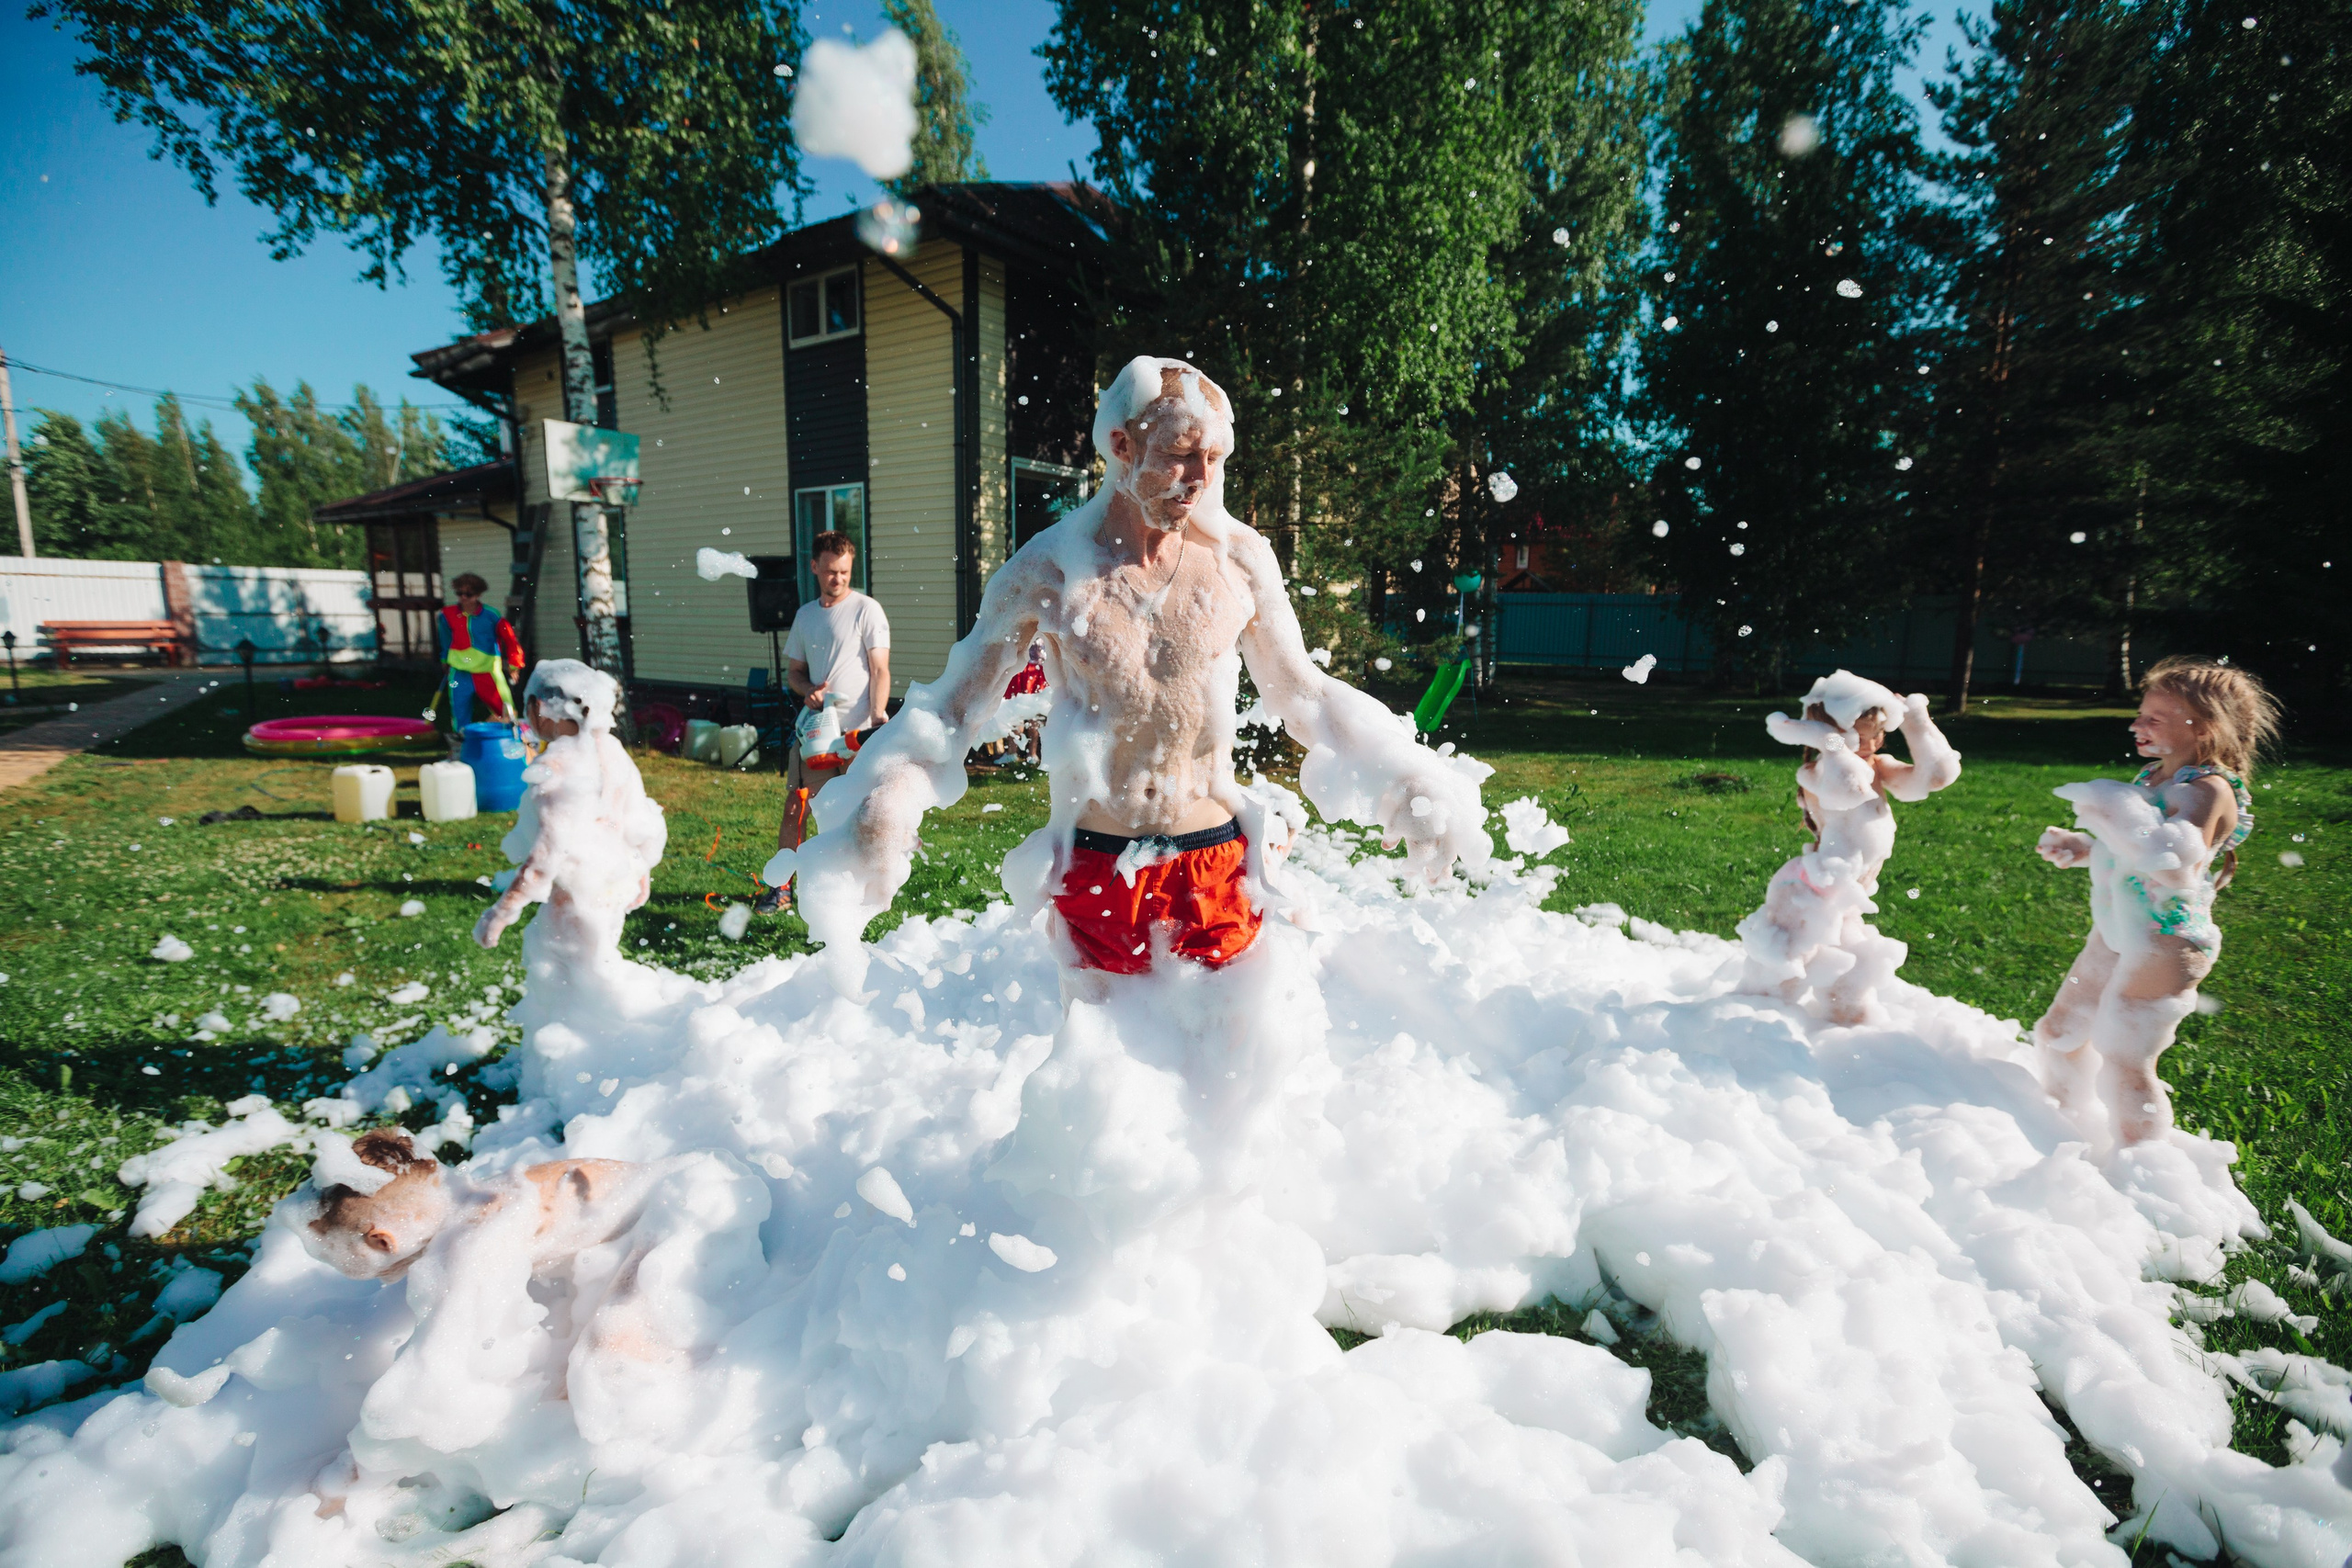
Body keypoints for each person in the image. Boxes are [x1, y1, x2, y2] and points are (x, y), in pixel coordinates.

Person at [762, 355, 1489, 986]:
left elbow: (1305, 694)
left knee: (1227, 1101)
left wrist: (1404, 767)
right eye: (1179, 453)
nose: (1201, 477)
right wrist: (885, 800)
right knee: (1104, 1106)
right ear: (1120, 442)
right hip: (1098, 866)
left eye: (1215, 457)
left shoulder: (1237, 563)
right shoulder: (1045, 572)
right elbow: (952, 709)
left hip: (1216, 865)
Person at [2031, 656, 2278, 1149]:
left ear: (2205, 728)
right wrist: (2083, 845)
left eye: (2153, 719)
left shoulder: (2208, 791)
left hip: (2168, 941)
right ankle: (2057, 1121)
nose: (2136, 725)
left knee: (2123, 1055)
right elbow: (2133, 855)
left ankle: (2141, 1162)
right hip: (2120, 930)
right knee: (2057, 1029)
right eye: (2140, 714)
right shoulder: (2153, 780)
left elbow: (2172, 861)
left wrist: (2105, 809)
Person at [1736, 671, 1963, 1024]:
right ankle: (1752, 1020)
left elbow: (1935, 777)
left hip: (1846, 890)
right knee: (1784, 963)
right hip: (1812, 885)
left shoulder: (1878, 767)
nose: (1872, 744)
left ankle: (1847, 1025)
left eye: (1879, 734)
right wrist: (1827, 740)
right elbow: (1849, 791)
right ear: (1832, 733)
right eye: (1861, 735)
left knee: (1849, 967)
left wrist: (1917, 718)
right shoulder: (1819, 771)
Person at [753, 530, 890, 914]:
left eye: (845, 572)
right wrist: (807, 690)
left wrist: (878, 714)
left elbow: (880, 669)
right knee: (796, 810)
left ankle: (859, 895)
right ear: (815, 568)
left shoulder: (867, 610)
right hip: (815, 734)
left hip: (857, 733)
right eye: (831, 572)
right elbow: (795, 672)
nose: (838, 579)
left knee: (857, 815)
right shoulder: (805, 616)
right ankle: (781, 890)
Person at [434, 572, 526, 732]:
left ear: (478, 594)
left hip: (487, 671)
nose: (463, 597)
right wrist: (444, 661)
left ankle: (512, 738)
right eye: (459, 593)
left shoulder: (492, 615)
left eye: (468, 594)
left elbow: (510, 639)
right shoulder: (447, 615)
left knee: (505, 709)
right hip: (460, 671)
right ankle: (461, 742)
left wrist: (514, 663)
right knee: (459, 711)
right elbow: (445, 640)